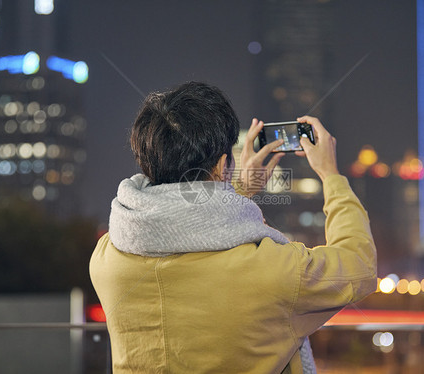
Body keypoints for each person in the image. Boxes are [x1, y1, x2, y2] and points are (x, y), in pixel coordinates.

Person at [90, 81, 377, 373]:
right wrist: (331, 175)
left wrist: (240, 186)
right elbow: (359, 266)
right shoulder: (272, 271)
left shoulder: (107, 259)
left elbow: (182, 231)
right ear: (223, 164)